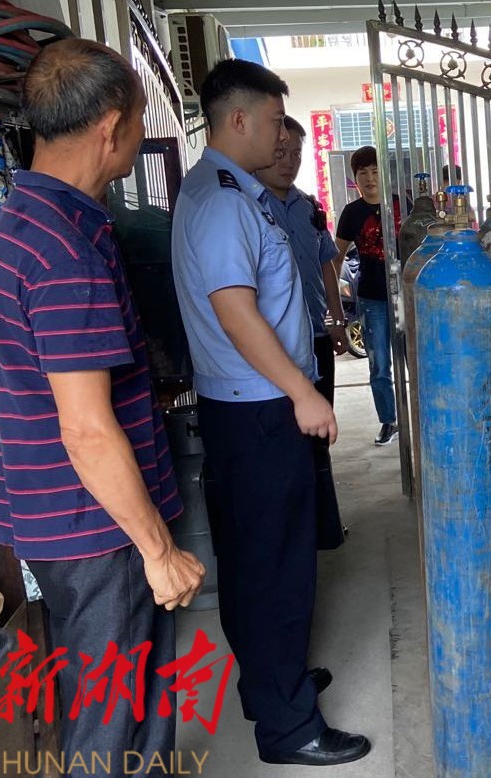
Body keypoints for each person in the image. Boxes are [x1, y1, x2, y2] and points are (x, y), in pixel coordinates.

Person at [0, 39, 205, 774]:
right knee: (115, 723)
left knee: (123, 708)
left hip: (65, 520)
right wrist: (157, 551)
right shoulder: (63, 252)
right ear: (111, 128)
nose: (140, 135)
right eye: (139, 120)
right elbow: (85, 427)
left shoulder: (24, 219)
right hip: (99, 529)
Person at [171, 59, 369, 766]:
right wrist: (303, 392)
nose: (284, 136)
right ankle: (291, 728)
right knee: (278, 568)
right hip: (260, 410)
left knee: (252, 560)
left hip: (242, 410)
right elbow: (237, 312)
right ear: (239, 119)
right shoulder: (226, 202)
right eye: (275, 121)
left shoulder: (221, 191)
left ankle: (271, 686)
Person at [255, 116, 346, 405]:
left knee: (323, 415)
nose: (289, 163)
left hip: (317, 333)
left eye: (296, 154)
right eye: (280, 153)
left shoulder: (309, 208)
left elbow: (326, 264)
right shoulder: (249, 208)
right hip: (275, 341)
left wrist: (337, 320)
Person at [335, 146, 400, 446]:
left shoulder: (402, 204)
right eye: (364, 173)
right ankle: (389, 420)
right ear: (355, 178)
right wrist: (333, 298)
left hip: (404, 296)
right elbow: (336, 257)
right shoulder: (352, 213)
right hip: (372, 298)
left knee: (414, 360)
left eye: (375, 171)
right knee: (379, 364)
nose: (370, 178)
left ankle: (420, 415)